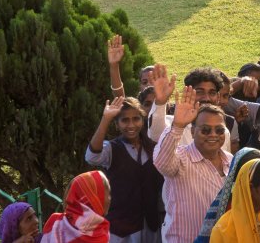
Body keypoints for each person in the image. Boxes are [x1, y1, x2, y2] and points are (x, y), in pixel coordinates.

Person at [154, 87, 233, 243]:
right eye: (205, 130)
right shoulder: (181, 158)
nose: (213, 135)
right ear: (192, 132)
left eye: (219, 130)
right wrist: (178, 125)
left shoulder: (231, 161)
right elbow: (161, 162)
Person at [85, 96, 163, 243]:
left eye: (136, 119)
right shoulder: (112, 149)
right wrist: (105, 119)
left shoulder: (152, 148)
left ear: (142, 120)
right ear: (117, 124)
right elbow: (92, 157)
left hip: (151, 224)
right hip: (122, 228)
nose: (131, 125)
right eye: (125, 120)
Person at [42, 171, 111, 243]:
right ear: (93, 199)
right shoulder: (100, 233)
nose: (110, 199)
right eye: (107, 193)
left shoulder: (56, 224)